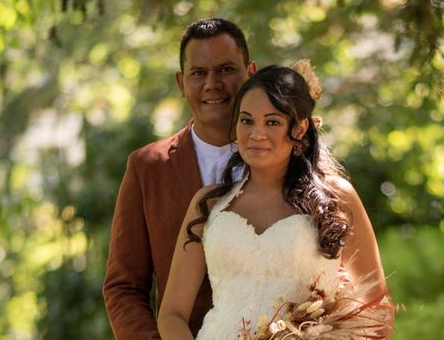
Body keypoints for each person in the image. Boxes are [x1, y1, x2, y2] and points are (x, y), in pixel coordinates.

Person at [158, 63, 394, 340]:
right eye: (247, 120)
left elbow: (377, 305)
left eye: (272, 122)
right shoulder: (208, 204)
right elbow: (171, 314)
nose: (256, 134)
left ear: (300, 127)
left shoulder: (335, 197)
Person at [103, 18, 257, 339]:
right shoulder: (147, 167)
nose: (212, 83)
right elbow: (124, 287)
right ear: (181, 82)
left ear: (250, 73)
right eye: (198, 73)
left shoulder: (289, 159)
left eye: (226, 70)